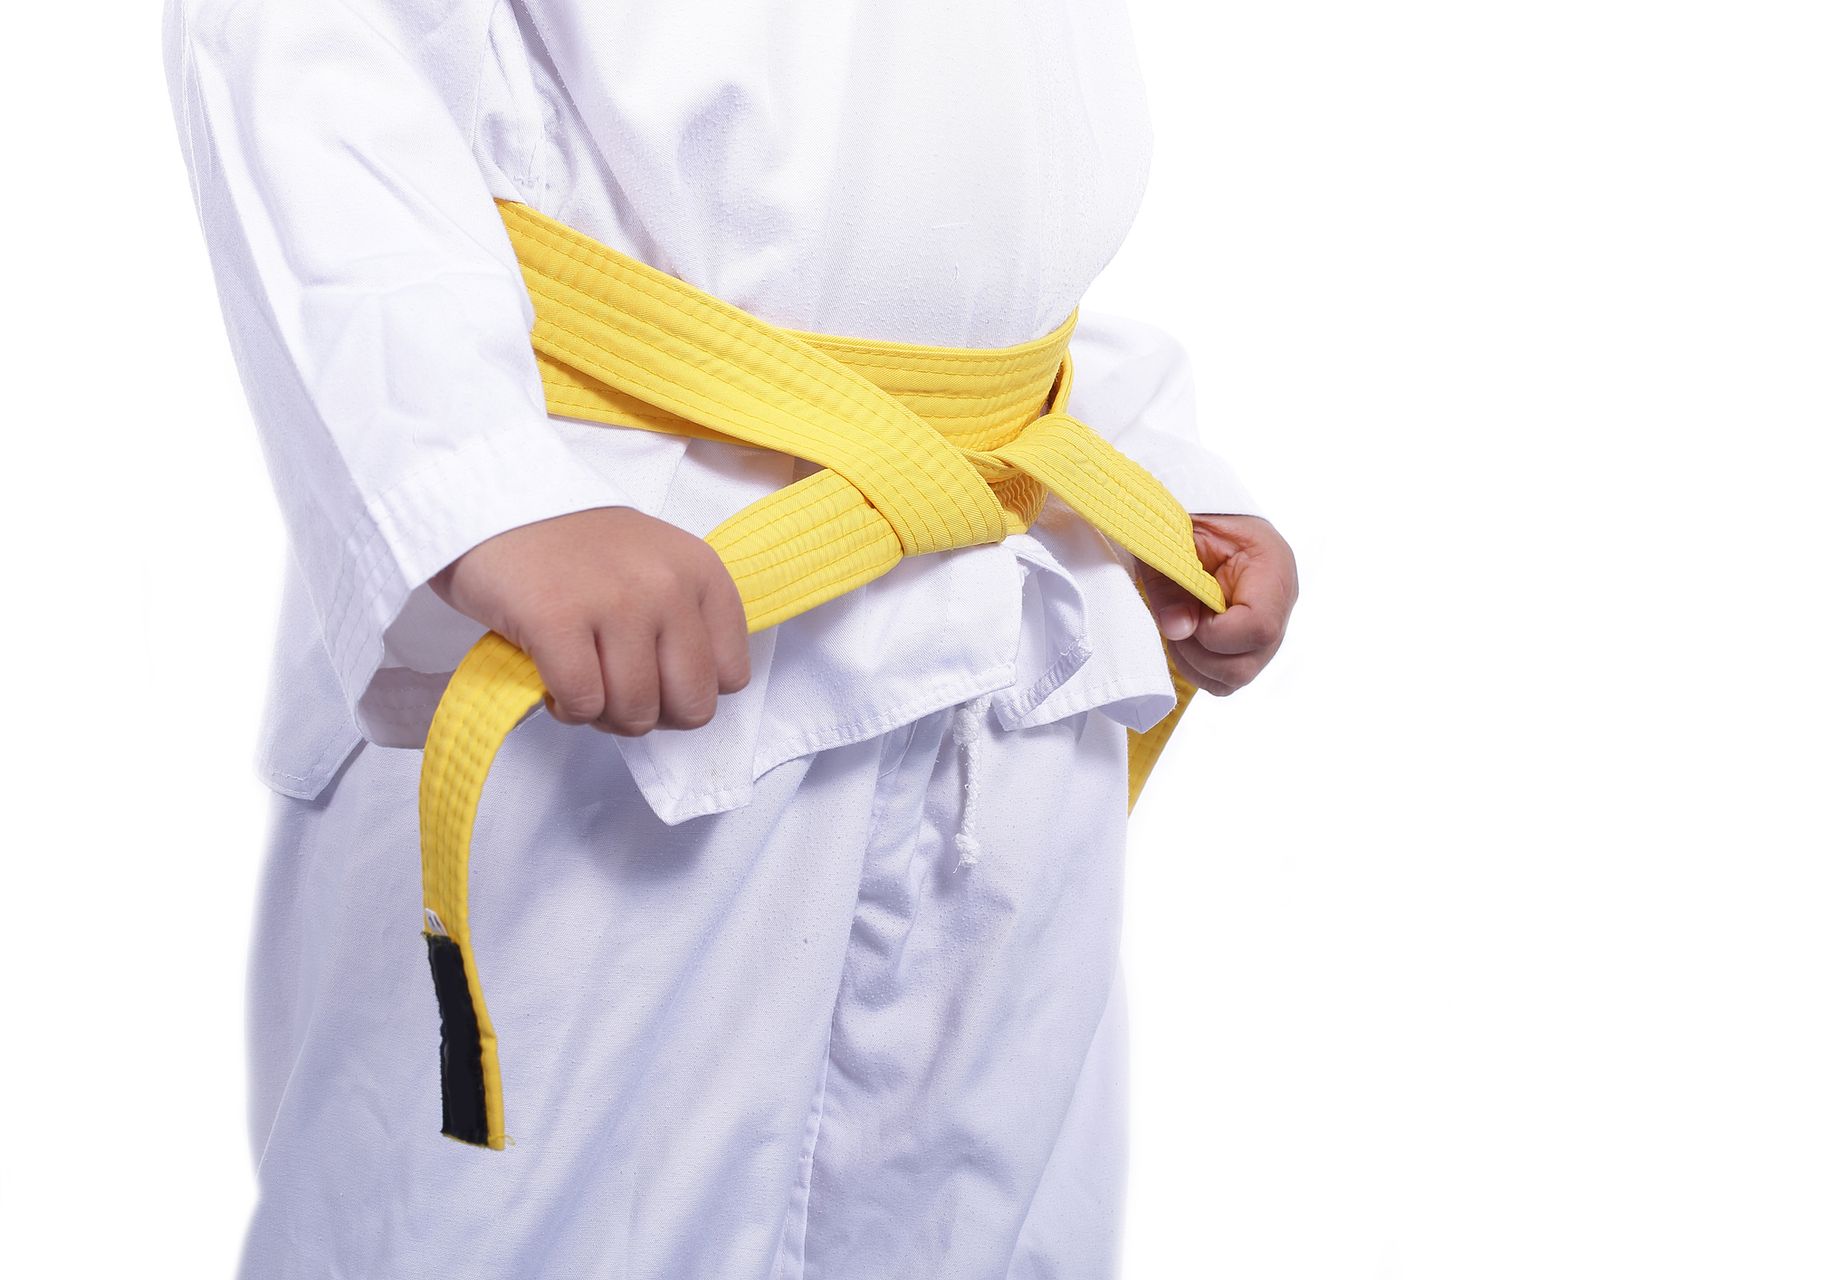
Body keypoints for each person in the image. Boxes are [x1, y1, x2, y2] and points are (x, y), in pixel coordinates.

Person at [164, 0, 1299, 1275]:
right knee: (521, 1230)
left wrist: (1142, 467)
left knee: (979, 1227)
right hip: (629, 621)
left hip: (992, 625)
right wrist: (487, 492)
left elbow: (982, 190)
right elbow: (315, 43)